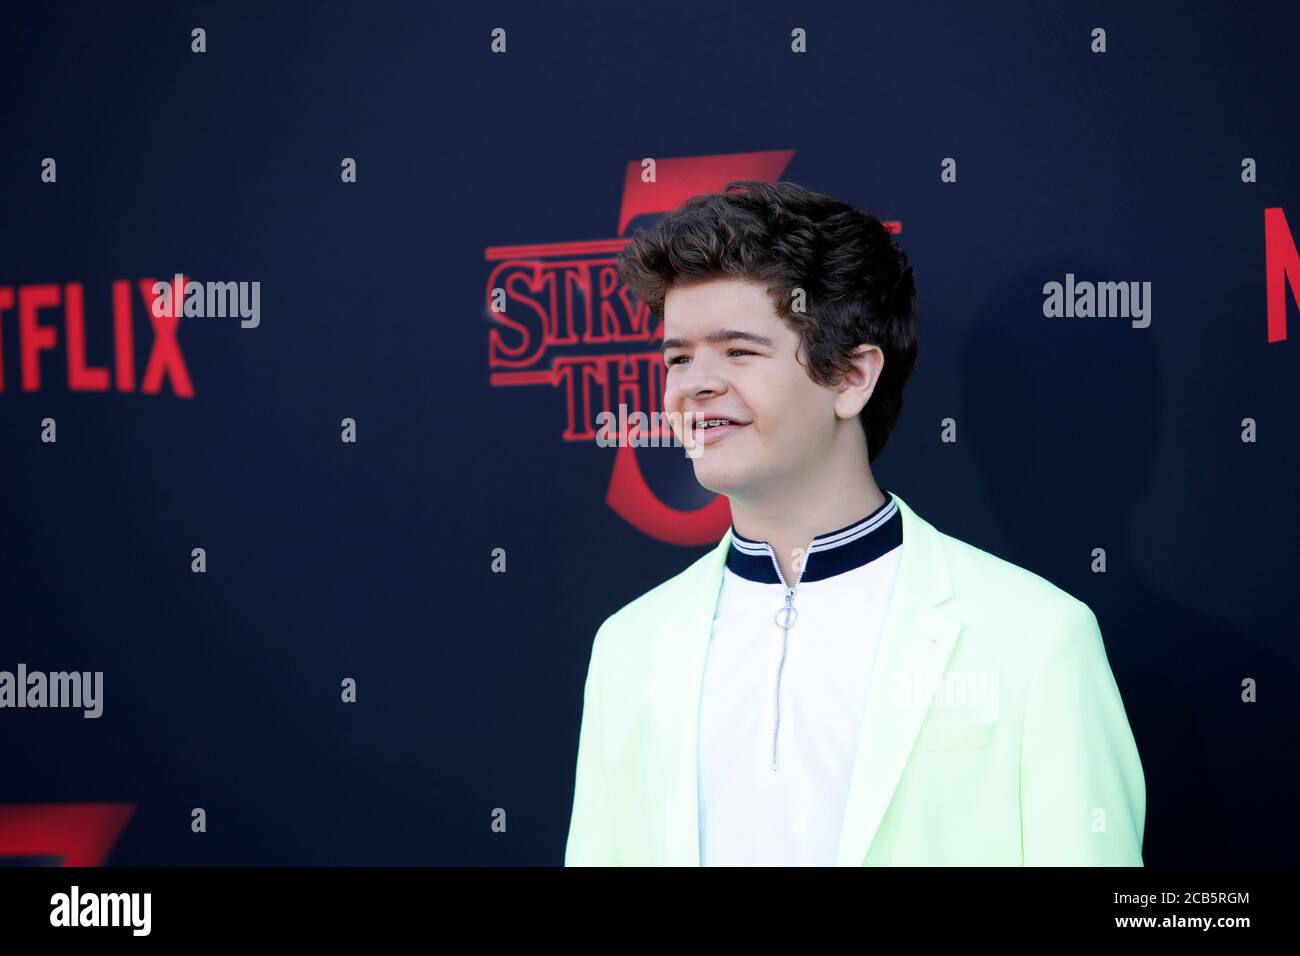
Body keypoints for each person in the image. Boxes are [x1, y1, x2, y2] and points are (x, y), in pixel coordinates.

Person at [564, 180, 1145, 866]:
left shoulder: (1037, 635)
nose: (694, 385)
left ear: (851, 377)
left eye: (739, 351)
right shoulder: (629, 646)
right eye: (678, 357)